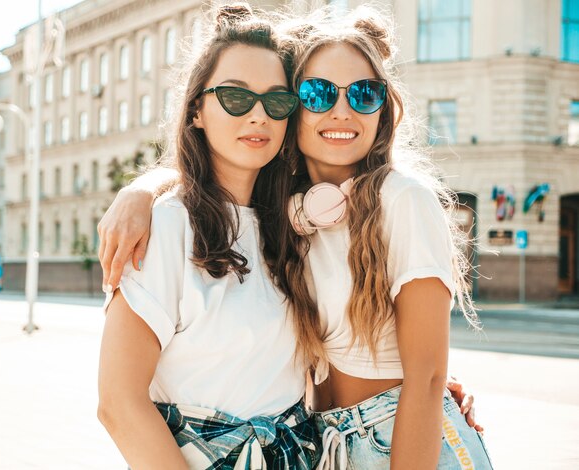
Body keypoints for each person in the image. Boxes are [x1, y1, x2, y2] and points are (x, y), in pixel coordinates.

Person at [98, 5, 487, 470]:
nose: (341, 109)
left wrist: (426, 389)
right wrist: (141, 189)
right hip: (326, 444)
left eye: (364, 93)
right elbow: (117, 403)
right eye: (318, 93)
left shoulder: (382, 204)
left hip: (388, 442)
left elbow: (422, 376)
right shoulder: (277, 217)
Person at [97, 5, 319, 469]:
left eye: (276, 102)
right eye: (236, 98)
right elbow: (118, 404)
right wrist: (144, 189)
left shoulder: (294, 227)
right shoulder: (167, 225)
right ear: (196, 108)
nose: (258, 116)